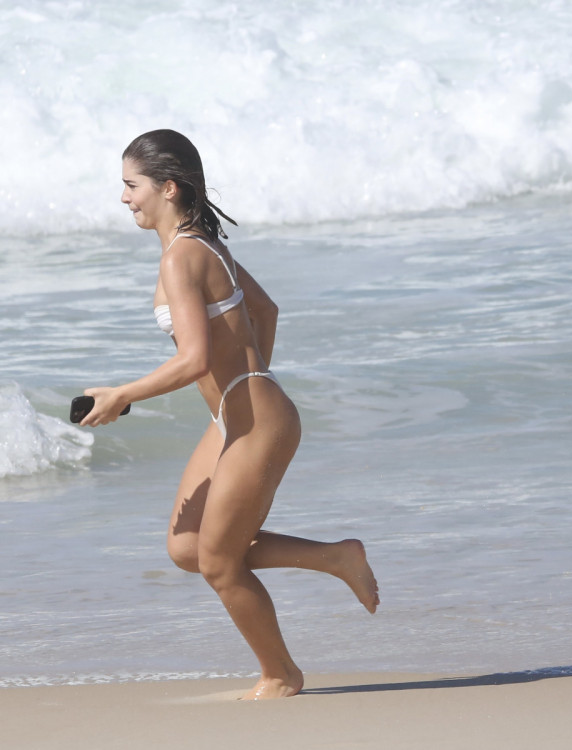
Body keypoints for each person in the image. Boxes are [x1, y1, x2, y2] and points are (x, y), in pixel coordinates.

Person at [81, 129, 380, 700]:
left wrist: (124, 395)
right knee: (187, 548)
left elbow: (193, 359)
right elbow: (264, 309)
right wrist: (246, 383)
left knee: (219, 563)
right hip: (240, 416)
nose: (123, 198)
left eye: (131, 185)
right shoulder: (204, 243)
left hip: (258, 424)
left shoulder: (182, 256)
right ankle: (337, 557)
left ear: (167, 188)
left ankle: (280, 675)